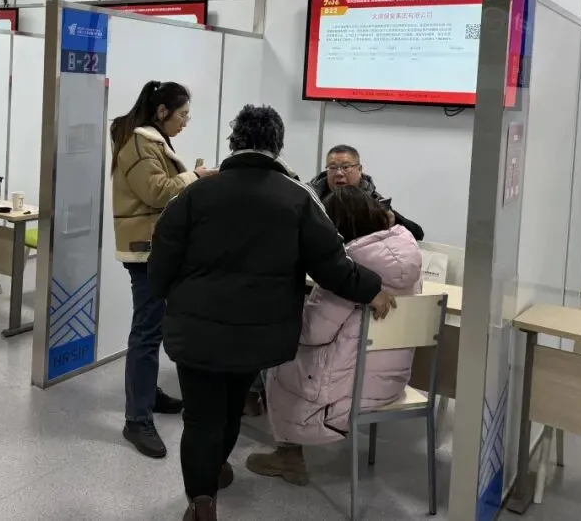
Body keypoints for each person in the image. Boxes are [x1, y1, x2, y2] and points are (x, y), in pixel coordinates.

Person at [149, 105, 394, 521]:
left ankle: (202, 501)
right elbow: (332, 265)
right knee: (231, 407)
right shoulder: (298, 197)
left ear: (234, 144)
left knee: (202, 416)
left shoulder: (194, 194)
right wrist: (371, 289)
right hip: (258, 332)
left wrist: (176, 303)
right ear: (277, 146)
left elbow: (161, 262)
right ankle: (214, 467)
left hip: (196, 329)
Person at [247, 185, 422, 486]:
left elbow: (313, 331)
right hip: (391, 381)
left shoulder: (350, 269)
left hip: (349, 388)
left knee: (278, 359)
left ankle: (288, 455)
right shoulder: (408, 256)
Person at [111, 80, 216, 459]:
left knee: (153, 328)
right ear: (161, 112)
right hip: (146, 251)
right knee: (146, 332)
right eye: (182, 114)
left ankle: (147, 396)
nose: (185, 121)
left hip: (157, 249)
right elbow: (156, 192)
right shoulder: (139, 144)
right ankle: (136, 420)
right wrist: (195, 177)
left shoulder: (151, 142)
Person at [309, 144, 424, 241]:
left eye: (345, 167)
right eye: (332, 167)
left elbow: (417, 233)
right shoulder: (309, 197)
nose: (339, 173)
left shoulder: (373, 200)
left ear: (359, 169)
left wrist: (392, 220)